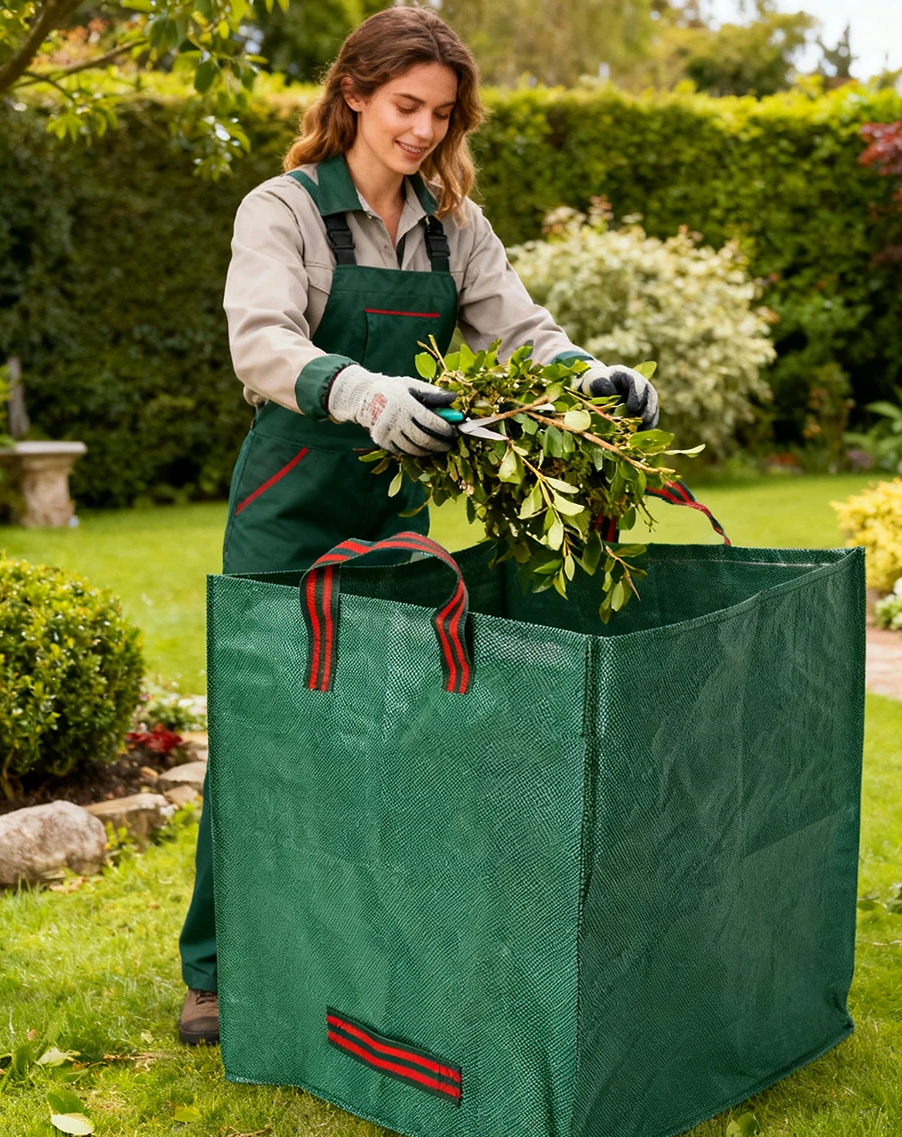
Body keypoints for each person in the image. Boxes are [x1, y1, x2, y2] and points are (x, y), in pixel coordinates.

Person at [177, 5, 659, 1045]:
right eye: (406, 107)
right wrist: (364, 395)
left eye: (441, 115)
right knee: (262, 739)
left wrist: (593, 380)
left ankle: (354, 941)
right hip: (287, 510)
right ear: (353, 93)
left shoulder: (455, 227)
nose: (422, 131)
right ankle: (217, 969)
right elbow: (261, 341)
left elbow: (519, 330)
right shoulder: (287, 210)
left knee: (386, 730)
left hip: (391, 519)